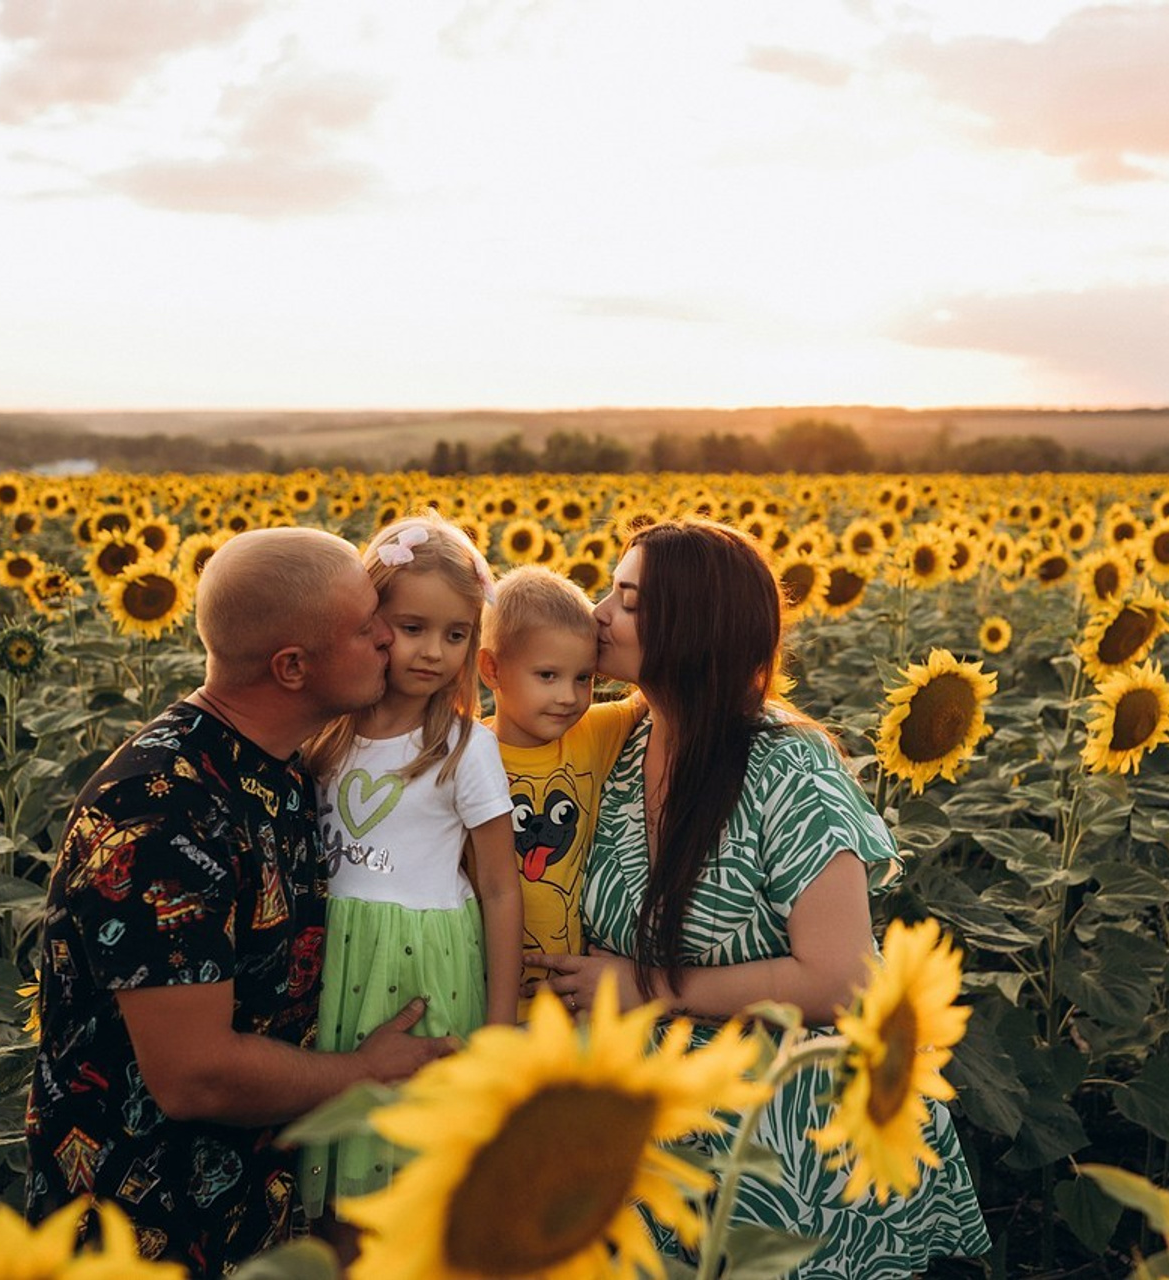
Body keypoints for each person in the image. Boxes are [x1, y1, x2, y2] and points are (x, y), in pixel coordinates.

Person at [528, 519, 990, 1276]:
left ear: (695, 625)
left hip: (787, 1151)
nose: (597, 613)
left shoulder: (787, 767)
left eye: (628, 599)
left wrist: (645, 987)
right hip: (657, 1134)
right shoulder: (626, 742)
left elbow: (842, 980)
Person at [25, 527, 453, 1277]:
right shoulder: (160, 815)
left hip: (249, 1211)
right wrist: (366, 1070)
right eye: (365, 627)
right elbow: (197, 1074)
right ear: (292, 667)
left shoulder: (277, 766)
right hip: (142, 1233)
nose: (389, 635)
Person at [303, 514, 521, 1215]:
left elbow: (497, 885)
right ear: (372, 621)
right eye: (413, 627)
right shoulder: (322, 736)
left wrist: (500, 1022)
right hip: (329, 956)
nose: (433, 652)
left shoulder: (464, 748)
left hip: (424, 960)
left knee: (411, 1165)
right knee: (335, 1156)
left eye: (456, 635)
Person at [477, 565, 643, 1020]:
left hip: (574, 999)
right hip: (483, 994)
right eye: (547, 675)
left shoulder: (591, 733)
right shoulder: (468, 755)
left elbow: (660, 689)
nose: (569, 696)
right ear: (492, 669)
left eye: (583, 678)